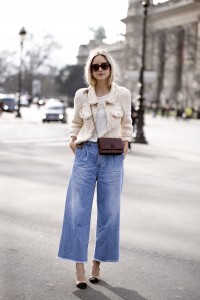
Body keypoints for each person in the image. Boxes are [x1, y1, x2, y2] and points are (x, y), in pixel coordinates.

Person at [58, 48, 133, 289]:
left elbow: (127, 123)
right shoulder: (82, 95)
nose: (100, 69)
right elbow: (76, 122)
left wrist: (126, 144)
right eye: (95, 66)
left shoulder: (123, 94)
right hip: (86, 155)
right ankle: (78, 266)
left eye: (104, 65)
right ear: (89, 70)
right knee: (77, 212)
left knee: (110, 213)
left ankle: (97, 263)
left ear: (111, 68)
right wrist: (73, 141)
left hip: (112, 157)